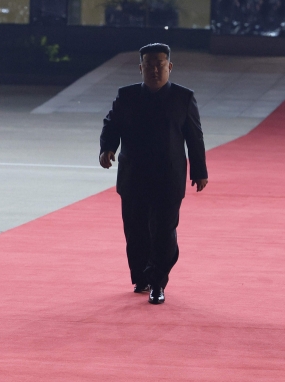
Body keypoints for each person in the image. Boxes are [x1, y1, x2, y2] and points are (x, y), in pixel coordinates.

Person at [99, 43, 208, 305]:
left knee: (163, 232)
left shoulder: (183, 98)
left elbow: (195, 136)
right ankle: (141, 278)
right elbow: (111, 125)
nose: (154, 69)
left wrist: (199, 170)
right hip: (134, 175)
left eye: (160, 64)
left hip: (168, 177)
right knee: (135, 231)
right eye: (148, 64)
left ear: (169, 67)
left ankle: (158, 282)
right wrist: (107, 149)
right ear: (140, 68)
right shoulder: (127, 96)